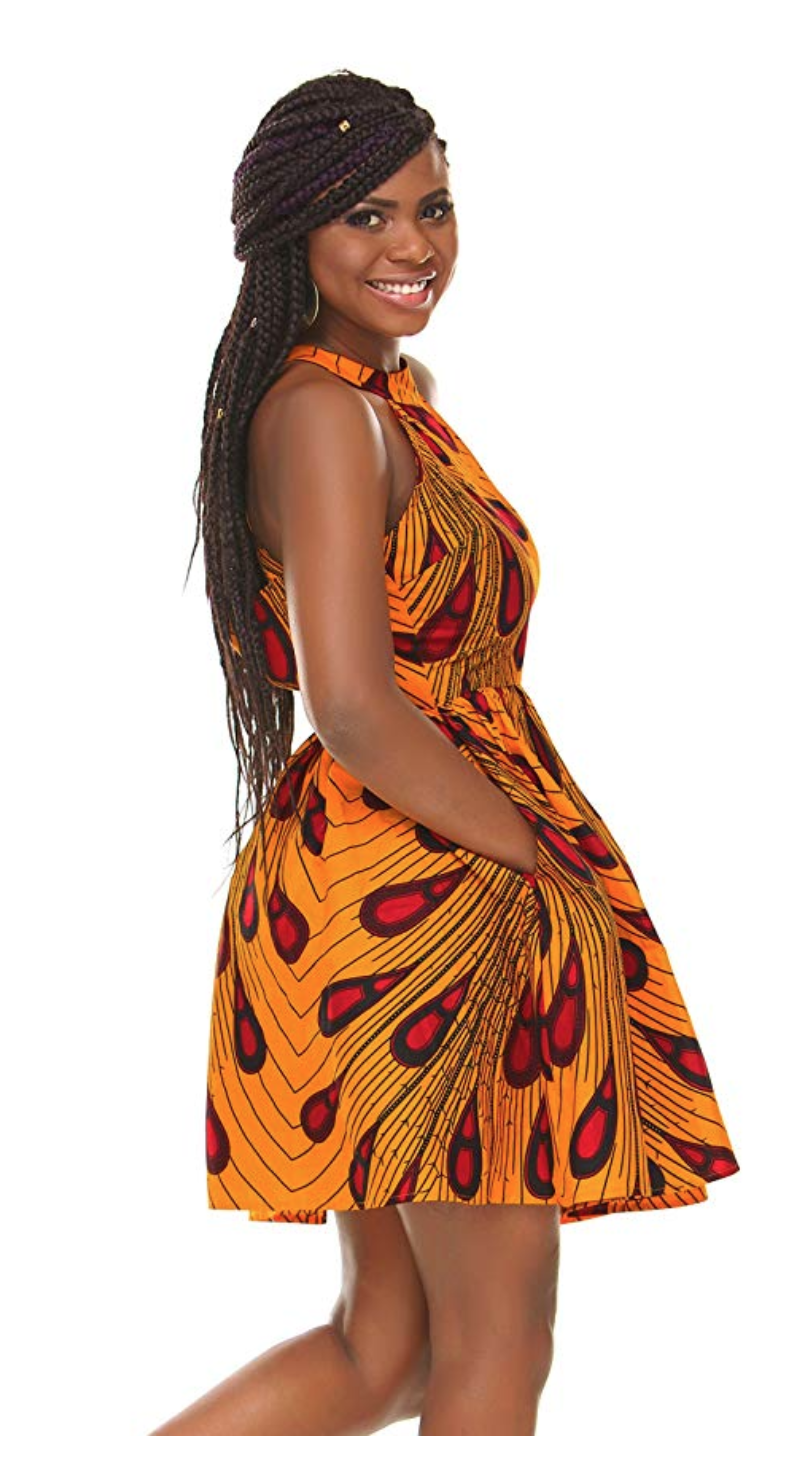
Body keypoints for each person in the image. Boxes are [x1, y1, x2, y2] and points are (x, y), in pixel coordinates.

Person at [151, 68, 740, 1436]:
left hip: (396, 866)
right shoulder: (322, 414)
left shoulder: (385, 395)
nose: (414, 243)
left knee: (390, 1349)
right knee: (498, 1335)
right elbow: (355, 703)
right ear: (291, 233)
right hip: (417, 890)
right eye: (367, 215)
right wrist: (533, 857)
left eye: (435, 207)